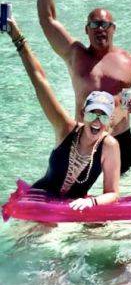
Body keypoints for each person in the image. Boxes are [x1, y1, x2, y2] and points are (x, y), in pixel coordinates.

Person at [37, 0, 131, 174]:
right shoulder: (76, 55)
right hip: (83, 140)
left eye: (105, 25)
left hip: (120, 140)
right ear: (86, 30)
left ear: (113, 29)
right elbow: (48, 20)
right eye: (94, 25)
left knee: (121, 192)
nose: (100, 29)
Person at [5, 18, 120, 209]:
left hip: (72, 209)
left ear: (108, 121)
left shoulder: (109, 146)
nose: (97, 121)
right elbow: (40, 81)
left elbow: (113, 193)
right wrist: (17, 38)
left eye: (103, 116)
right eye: (93, 114)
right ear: (83, 114)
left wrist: (91, 202)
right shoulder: (66, 129)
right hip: (37, 201)